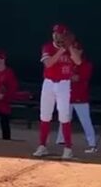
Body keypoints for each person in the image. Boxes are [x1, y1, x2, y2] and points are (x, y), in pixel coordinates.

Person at [33, 24, 78, 159]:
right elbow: (48, 63)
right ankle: (42, 146)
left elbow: (78, 61)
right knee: (45, 114)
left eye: (59, 33)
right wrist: (61, 50)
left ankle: (68, 148)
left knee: (64, 115)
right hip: (49, 83)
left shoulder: (70, 47)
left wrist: (69, 47)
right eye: (55, 33)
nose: (56, 35)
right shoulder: (48, 47)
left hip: (64, 83)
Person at [57, 42, 99, 153]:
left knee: (85, 121)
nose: (73, 51)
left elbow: (77, 78)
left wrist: (68, 76)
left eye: (76, 49)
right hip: (67, 96)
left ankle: (92, 143)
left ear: (80, 51)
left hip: (81, 98)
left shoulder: (86, 64)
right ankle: (61, 140)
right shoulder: (68, 62)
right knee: (64, 119)